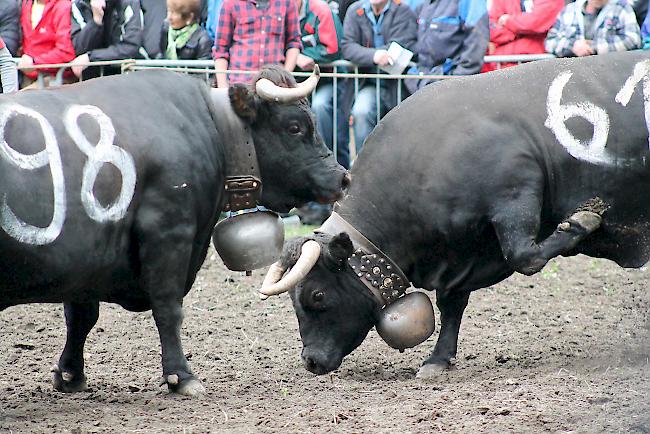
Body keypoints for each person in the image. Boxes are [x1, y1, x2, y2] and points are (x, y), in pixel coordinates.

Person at [340, 0, 417, 154]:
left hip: (399, 85)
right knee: (361, 111)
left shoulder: (403, 11)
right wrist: (375, 55)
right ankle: (364, 168)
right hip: (367, 83)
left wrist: (364, 54)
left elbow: (400, 45)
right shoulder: (355, 10)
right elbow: (347, 46)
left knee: (403, 130)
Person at [294, 0, 345, 225]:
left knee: (322, 109)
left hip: (328, 82)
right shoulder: (280, 10)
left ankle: (336, 198)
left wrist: (307, 56)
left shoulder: (320, 10)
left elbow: (334, 48)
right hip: (297, 84)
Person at [404, 0, 489, 94]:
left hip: (450, 88)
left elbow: (476, 44)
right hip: (423, 86)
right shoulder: (426, 5)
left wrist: (456, 81)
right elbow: (413, 44)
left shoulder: (469, 2)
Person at [213, 0, 303, 87]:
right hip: (240, 85)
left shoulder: (287, 3)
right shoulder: (231, 3)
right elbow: (220, 50)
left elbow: (294, 43)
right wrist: (222, 86)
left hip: (275, 84)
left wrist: (285, 77)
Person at [70, 0, 144, 80]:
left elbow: (131, 46)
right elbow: (79, 48)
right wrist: (96, 21)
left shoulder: (128, 3)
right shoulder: (79, 5)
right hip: (93, 79)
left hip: (126, 76)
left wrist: (92, 57)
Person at [485, 0, 564, 70]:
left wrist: (508, 21)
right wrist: (522, 29)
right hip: (503, 65)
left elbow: (537, 22)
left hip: (538, 65)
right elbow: (491, 29)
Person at [545, 0, 641, 57]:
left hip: (609, 73)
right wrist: (573, 46)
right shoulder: (570, 10)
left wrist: (594, 48)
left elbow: (633, 39)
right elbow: (550, 42)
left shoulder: (621, 8)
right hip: (572, 72)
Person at [18, 0, 76, 88]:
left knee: (16, 99)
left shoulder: (63, 6)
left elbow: (66, 52)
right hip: (26, 75)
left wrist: (35, 62)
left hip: (55, 78)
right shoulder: (25, 4)